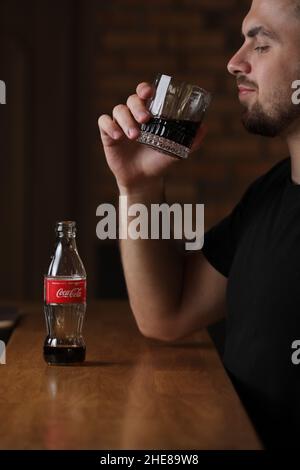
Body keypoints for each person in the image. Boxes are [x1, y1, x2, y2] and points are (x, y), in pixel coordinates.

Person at [98, 0, 300, 449]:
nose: (235, 62)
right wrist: (138, 188)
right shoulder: (270, 194)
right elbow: (165, 316)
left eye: (261, 44)